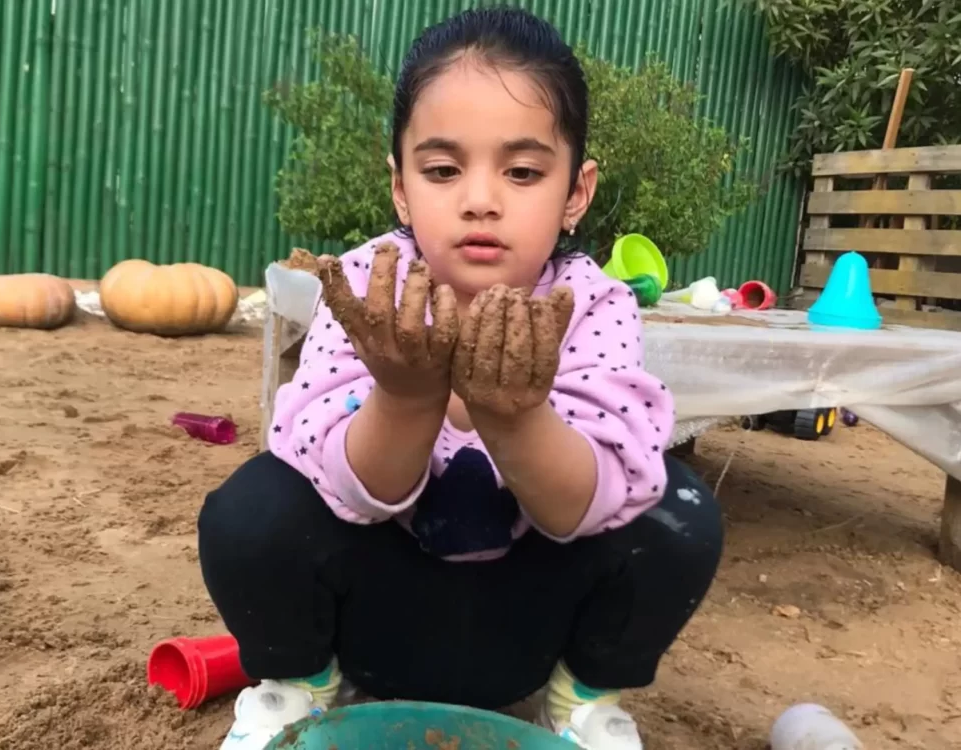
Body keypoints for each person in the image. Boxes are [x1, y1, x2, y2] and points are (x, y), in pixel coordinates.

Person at [198, 7, 723, 750]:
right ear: (402, 188)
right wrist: (408, 396)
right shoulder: (366, 289)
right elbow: (336, 477)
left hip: (521, 626)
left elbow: (587, 505)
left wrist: (515, 419)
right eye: (443, 170)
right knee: (253, 509)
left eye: (523, 171)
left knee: (680, 513)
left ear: (577, 190)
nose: (481, 198)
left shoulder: (591, 306)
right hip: (381, 619)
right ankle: (304, 688)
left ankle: (576, 704)